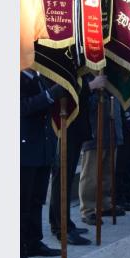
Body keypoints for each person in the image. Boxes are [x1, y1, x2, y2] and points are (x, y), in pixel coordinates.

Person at [48, 74, 106, 245]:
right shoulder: (57, 66)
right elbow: (63, 92)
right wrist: (91, 86)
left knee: (65, 178)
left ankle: (64, 223)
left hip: (75, 127)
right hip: (63, 126)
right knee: (61, 179)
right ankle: (61, 228)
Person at [21, 69, 64, 258]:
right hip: (25, 150)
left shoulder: (39, 78)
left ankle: (33, 242)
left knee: (37, 199)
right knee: (22, 203)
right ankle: (18, 251)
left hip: (42, 148)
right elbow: (23, 107)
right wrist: (50, 95)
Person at [78, 87, 125, 225]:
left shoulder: (110, 77)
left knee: (108, 172)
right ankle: (88, 210)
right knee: (91, 175)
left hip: (111, 129)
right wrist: (93, 86)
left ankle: (105, 204)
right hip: (94, 130)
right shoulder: (86, 76)